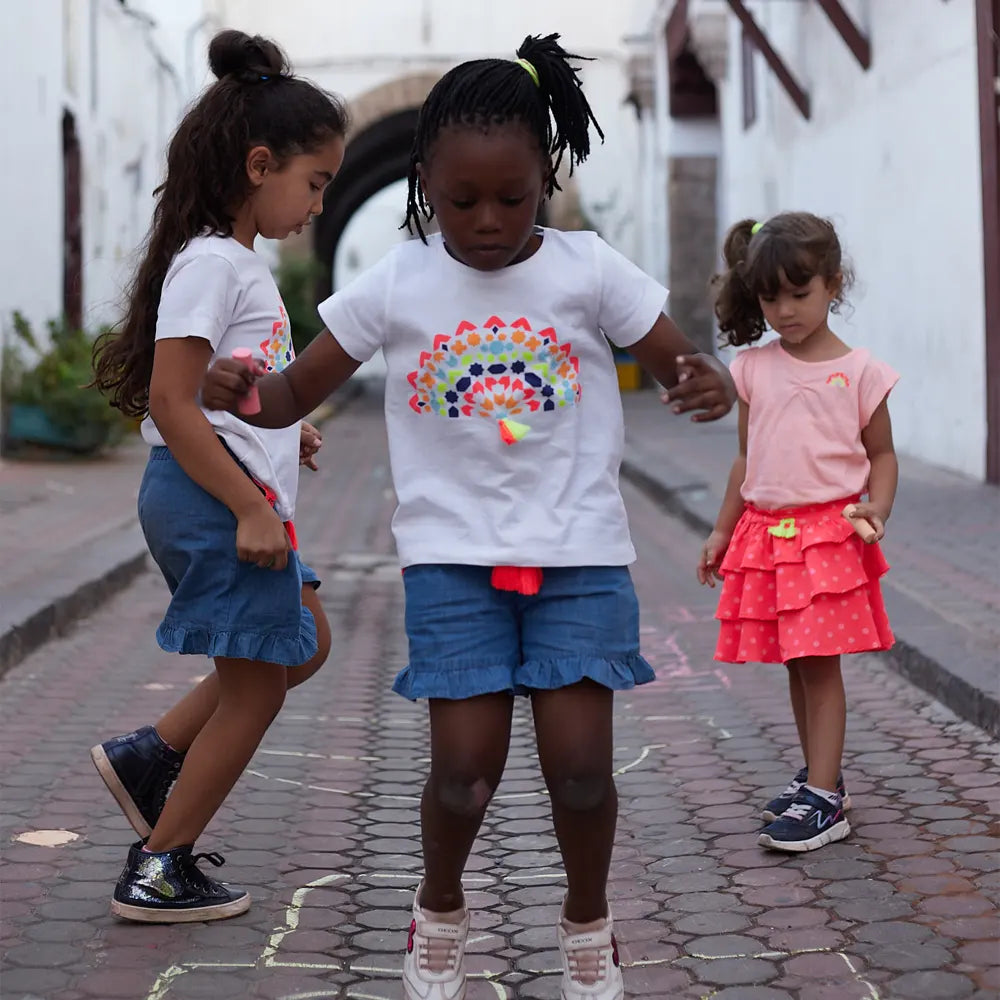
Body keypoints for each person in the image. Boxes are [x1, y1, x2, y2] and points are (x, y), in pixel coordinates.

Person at [201, 33, 735, 999]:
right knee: (464, 775)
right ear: (422, 184)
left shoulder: (590, 269)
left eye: (513, 198)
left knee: (580, 774)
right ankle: (439, 906)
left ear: (547, 180)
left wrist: (711, 385)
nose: (488, 222)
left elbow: (680, 364)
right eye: (461, 202)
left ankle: (587, 924)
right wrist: (236, 389)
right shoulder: (398, 282)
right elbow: (291, 394)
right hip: (453, 564)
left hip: (579, 559)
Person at [88, 29, 348, 923]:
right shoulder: (211, 261)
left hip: (230, 490)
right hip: (211, 500)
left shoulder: (235, 264)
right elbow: (168, 401)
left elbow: (210, 389)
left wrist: (282, 429)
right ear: (259, 164)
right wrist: (247, 501)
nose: (318, 203)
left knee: (300, 643)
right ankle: (160, 865)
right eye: (314, 183)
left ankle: (149, 758)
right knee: (259, 686)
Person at [698, 212, 898, 853]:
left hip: (826, 536)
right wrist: (722, 529)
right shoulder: (754, 369)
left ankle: (825, 799)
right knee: (796, 660)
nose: (785, 309)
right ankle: (821, 779)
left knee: (819, 666)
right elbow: (746, 459)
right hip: (767, 533)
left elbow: (884, 455)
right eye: (770, 296)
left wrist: (880, 508)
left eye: (800, 292)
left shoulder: (862, 371)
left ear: (833, 284)